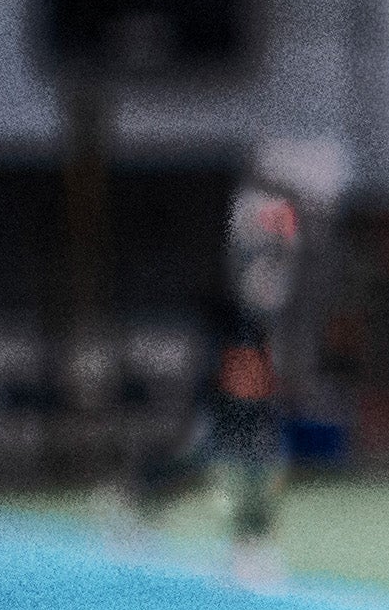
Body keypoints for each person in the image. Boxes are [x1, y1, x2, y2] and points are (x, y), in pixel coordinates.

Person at [121, 183, 305, 588]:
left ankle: (250, 544)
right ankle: (139, 501)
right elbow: (238, 297)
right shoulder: (235, 276)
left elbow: (277, 294)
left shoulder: (277, 273)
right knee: (198, 456)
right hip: (224, 383)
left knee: (266, 462)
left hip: (258, 386)